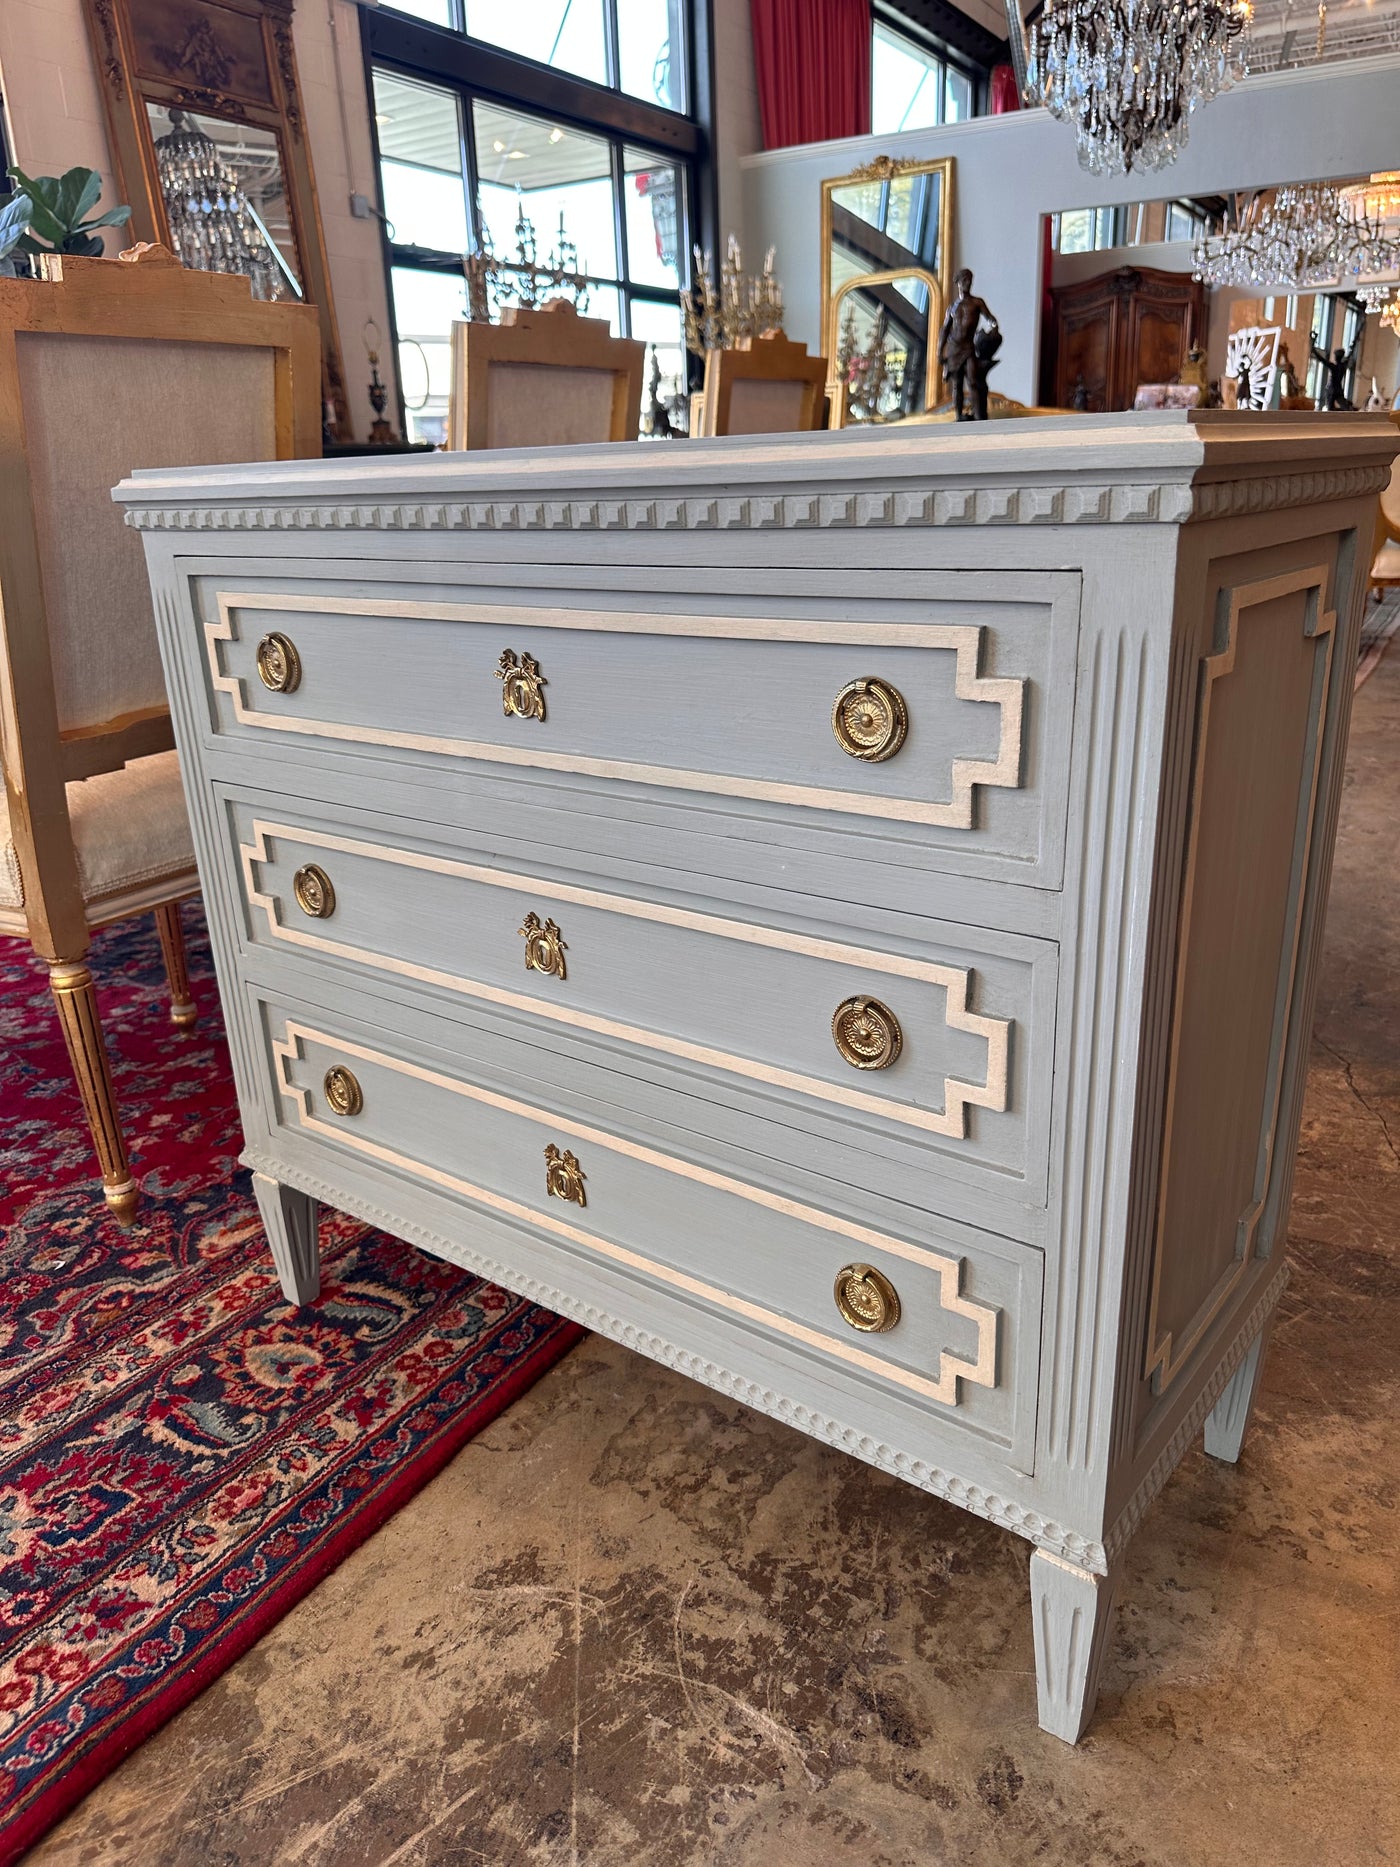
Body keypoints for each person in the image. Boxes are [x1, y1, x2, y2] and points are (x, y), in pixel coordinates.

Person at [938, 268, 999, 421]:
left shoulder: (977, 303)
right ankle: (959, 416)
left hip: (968, 348)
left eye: (969, 280)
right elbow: (945, 330)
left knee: (973, 380)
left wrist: (993, 328)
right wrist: (939, 351)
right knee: (957, 384)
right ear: (958, 283)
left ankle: (979, 415)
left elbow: (991, 319)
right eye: (964, 280)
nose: (968, 283)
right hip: (954, 348)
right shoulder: (952, 307)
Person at [1309, 329, 1360, 411]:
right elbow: (1351, 353)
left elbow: (1321, 359)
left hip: (1331, 390)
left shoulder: (1333, 366)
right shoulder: (1343, 365)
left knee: (1330, 409)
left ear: (1336, 357)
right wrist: (1355, 341)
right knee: (1344, 408)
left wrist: (1312, 345)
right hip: (1338, 390)